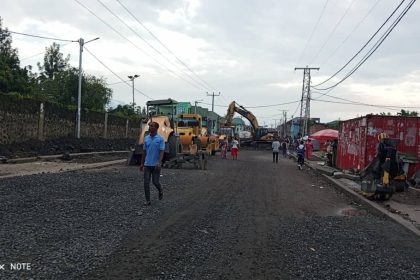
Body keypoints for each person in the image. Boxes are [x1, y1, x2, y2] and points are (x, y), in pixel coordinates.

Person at [140, 122, 165, 206]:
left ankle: (160, 190)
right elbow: (144, 152)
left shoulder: (161, 139)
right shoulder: (146, 138)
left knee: (155, 182)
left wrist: (159, 162)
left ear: (156, 128)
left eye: (152, 126)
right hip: (147, 164)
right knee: (146, 182)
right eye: (149, 126)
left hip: (156, 165)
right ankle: (148, 200)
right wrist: (142, 163)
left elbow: (162, 151)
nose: (149, 127)